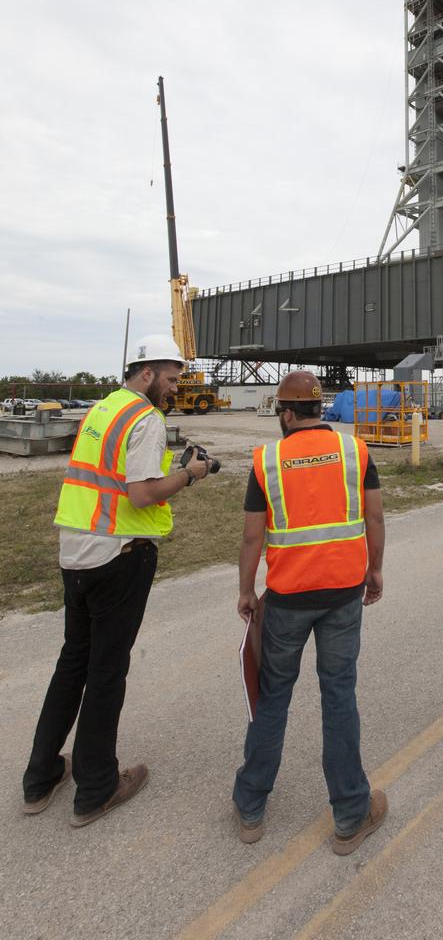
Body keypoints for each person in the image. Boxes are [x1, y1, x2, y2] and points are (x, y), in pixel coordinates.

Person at [22, 334, 213, 826]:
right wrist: (190, 474)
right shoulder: (145, 417)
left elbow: (111, 478)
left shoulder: (103, 410)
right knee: (107, 671)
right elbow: (143, 494)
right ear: (147, 373)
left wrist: (168, 471)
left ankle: (40, 778)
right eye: (171, 379)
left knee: (73, 663)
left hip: (76, 552)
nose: (174, 389)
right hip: (119, 556)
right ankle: (96, 788)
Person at [232, 370, 387, 851]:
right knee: (339, 696)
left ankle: (252, 807)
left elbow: (252, 535)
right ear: (321, 410)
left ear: (285, 413)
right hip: (342, 594)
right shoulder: (354, 451)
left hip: (287, 598)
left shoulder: (267, 459)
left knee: (272, 697)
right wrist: (374, 571)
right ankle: (350, 816)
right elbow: (374, 515)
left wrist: (246, 592)